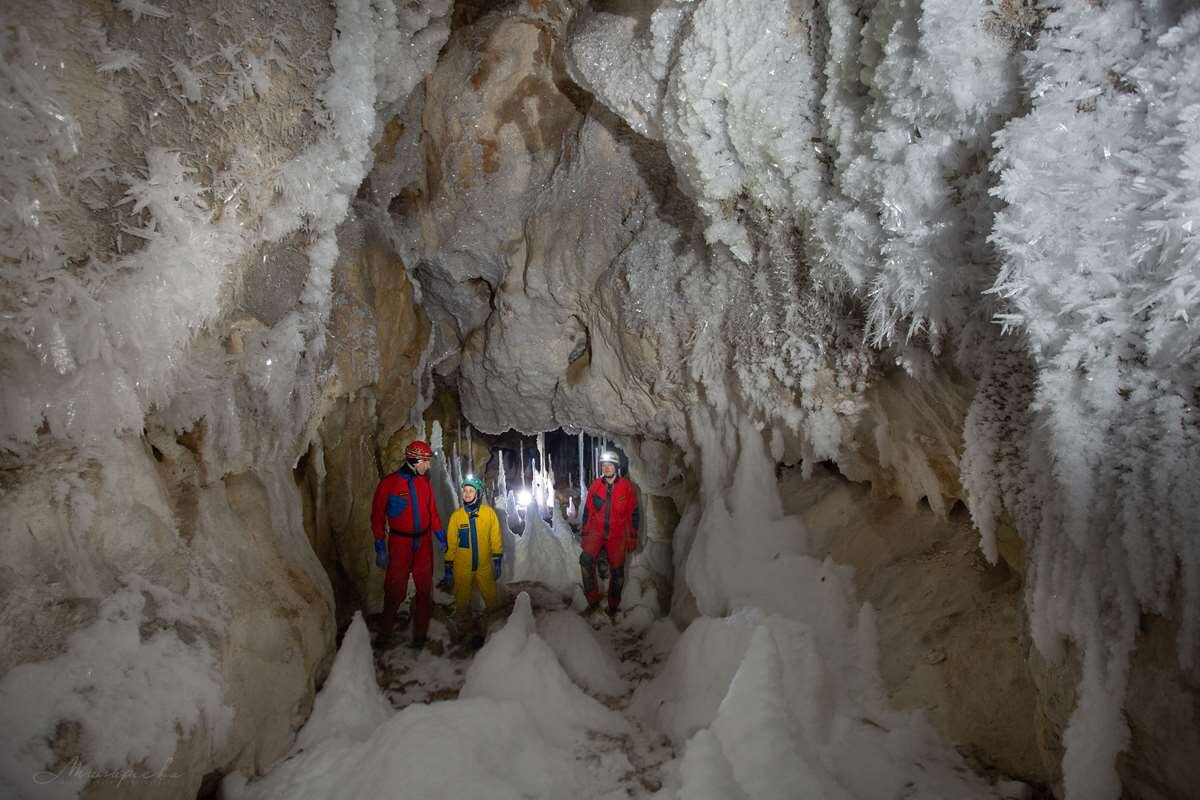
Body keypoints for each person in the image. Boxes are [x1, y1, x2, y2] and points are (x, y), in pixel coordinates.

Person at [371, 440, 445, 648]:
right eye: (426, 461)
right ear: (414, 459)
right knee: (395, 589)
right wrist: (379, 543)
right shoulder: (389, 484)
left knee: (424, 589)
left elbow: (432, 513)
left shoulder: (424, 484)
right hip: (400, 542)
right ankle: (385, 633)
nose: (428, 466)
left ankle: (420, 634)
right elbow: (377, 517)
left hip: (423, 543)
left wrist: (440, 534)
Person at [580, 450, 640, 618]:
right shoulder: (595, 486)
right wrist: (585, 533)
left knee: (618, 572)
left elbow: (633, 514)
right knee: (585, 560)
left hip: (617, 533)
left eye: (610, 465)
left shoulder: (626, 488)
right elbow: (587, 512)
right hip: (597, 531)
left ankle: (613, 605)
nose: (606, 468)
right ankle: (592, 600)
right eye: (604, 465)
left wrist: (632, 536)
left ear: (616, 467)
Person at [443, 475, 503, 638]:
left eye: (471, 491)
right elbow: (452, 543)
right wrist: (448, 564)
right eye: (465, 491)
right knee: (462, 598)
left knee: (490, 596)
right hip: (462, 567)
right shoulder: (457, 517)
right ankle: (464, 630)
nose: (467, 494)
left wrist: (497, 559)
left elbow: (495, 537)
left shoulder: (488, 514)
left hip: (484, 565)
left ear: (478, 494)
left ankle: (495, 627)